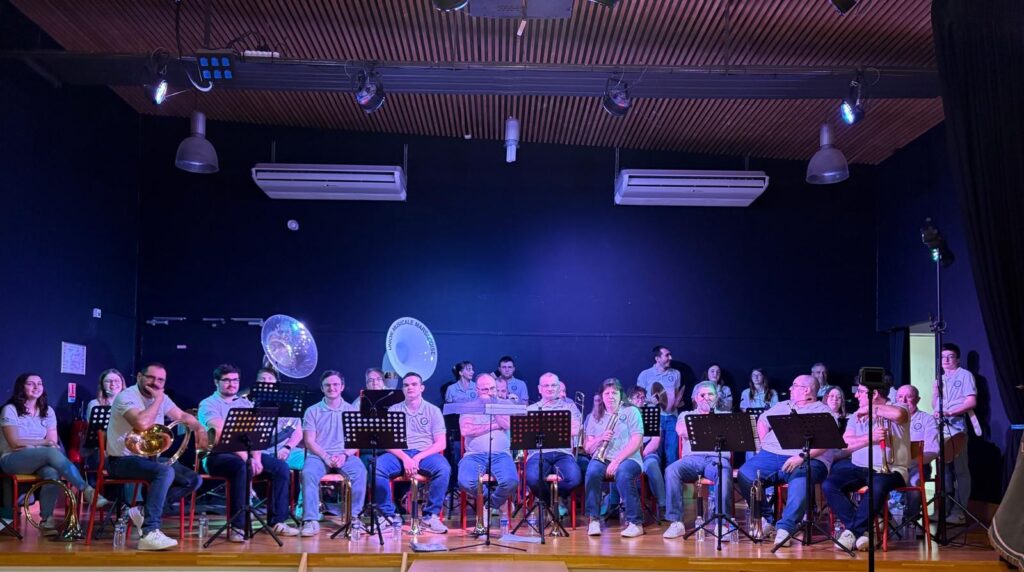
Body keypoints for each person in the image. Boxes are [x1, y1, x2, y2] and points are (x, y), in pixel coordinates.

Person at [105, 363, 206, 551]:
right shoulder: (126, 396)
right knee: (165, 472)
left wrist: (199, 427)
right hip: (121, 460)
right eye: (151, 378)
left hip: (148, 459)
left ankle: (143, 510)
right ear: (139, 377)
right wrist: (158, 399)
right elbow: (142, 423)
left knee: (193, 479)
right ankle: (149, 533)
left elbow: (182, 415)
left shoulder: (162, 397)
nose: (156, 383)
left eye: (161, 380)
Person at [198, 364, 299, 542]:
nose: (232, 384)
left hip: (248, 453)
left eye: (235, 380)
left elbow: (257, 435)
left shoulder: (246, 403)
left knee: (281, 468)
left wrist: (257, 457)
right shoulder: (208, 403)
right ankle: (238, 526)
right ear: (216, 382)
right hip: (217, 456)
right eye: (227, 380)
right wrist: (247, 457)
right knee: (240, 467)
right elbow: (222, 434)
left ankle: (277, 522)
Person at [736, 375, 837, 547]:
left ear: (807, 390)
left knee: (800, 478)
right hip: (771, 454)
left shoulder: (823, 411)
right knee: (745, 475)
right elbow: (762, 420)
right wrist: (761, 445)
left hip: (808, 458)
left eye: (794, 385)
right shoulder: (783, 405)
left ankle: (785, 528)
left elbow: (827, 442)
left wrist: (802, 456)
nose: (790, 389)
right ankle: (768, 519)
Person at [0, 373, 109, 531]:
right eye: (31, 384)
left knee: (52, 473)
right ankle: (86, 489)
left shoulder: (48, 411)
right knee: (50, 454)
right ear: (21, 387)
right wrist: (44, 443)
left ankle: (47, 519)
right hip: (11, 459)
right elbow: (15, 443)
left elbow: (52, 442)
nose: (37, 387)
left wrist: (47, 445)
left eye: (40, 383)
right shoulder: (10, 410)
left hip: (39, 459)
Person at [823, 378, 910, 551]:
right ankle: (862, 532)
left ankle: (852, 532)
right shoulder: (857, 414)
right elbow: (846, 442)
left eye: (860, 391)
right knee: (829, 484)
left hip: (891, 469)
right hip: (858, 467)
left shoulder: (899, 407)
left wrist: (872, 408)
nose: (856, 395)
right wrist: (871, 438)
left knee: (877, 486)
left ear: (874, 394)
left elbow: (899, 416)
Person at [372, 372, 451, 534]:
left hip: (425, 453)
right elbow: (387, 442)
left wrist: (418, 457)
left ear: (422, 388)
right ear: (402, 389)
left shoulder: (433, 410)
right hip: (399, 453)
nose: (410, 388)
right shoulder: (394, 409)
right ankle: (388, 516)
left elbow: (441, 443)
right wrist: (405, 457)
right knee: (377, 467)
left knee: (444, 468)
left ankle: (430, 516)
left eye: (414, 384)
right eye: (406, 385)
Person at [299, 370, 368, 536]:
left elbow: (357, 442)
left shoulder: (352, 410)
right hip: (319, 455)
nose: (332, 388)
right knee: (308, 473)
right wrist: (326, 457)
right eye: (327, 385)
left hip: (345, 455)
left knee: (360, 472)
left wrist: (344, 455)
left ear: (342, 387)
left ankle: (354, 518)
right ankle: (310, 520)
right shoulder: (312, 411)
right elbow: (309, 441)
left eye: (336, 384)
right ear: (322, 388)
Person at [663, 381, 732, 539]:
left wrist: (701, 428)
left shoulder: (725, 416)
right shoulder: (685, 415)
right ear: (695, 398)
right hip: (693, 459)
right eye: (702, 395)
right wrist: (711, 428)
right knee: (671, 470)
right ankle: (676, 523)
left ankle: (722, 524)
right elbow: (681, 431)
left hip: (717, 458)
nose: (706, 398)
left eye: (710, 395)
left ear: (716, 397)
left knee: (724, 472)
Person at [457, 373, 519, 535]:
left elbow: (506, 424)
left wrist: (494, 408)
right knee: (465, 481)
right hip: (474, 455)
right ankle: (490, 501)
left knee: (511, 481)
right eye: (485, 389)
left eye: (492, 388)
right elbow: (466, 430)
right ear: (477, 390)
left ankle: (489, 505)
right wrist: (493, 425)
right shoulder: (468, 406)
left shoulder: (505, 404)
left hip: (501, 454)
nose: (490, 392)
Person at [583, 378, 644, 538]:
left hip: (629, 458)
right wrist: (600, 438)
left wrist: (617, 461)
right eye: (607, 393)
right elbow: (588, 448)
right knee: (592, 471)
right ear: (602, 396)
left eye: (614, 393)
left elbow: (637, 440)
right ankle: (594, 520)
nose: (610, 396)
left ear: (620, 395)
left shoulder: (631, 411)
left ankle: (635, 523)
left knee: (623, 473)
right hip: (603, 458)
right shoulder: (594, 416)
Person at [524, 373, 582, 524]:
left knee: (574, 479)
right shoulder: (531, 409)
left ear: (559, 387)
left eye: (553, 385)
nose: (550, 389)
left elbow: (575, 430)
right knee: (532, 478)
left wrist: (546, 428)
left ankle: (552, 500)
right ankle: (552, 504)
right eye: (546, 385)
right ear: (539, 389)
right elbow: (526, 435)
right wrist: (561, 427)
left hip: (563, 453)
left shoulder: (570, 407)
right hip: (538, 453)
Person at [934, 342, 977, 525]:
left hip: (957, 427)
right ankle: (943, 509)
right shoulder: (939, 379)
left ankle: (960, 510)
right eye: (943, 357)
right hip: (940, 428)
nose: (946, 360)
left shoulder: (965, 375)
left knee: (960, 469)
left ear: (957, 359)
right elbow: (935, 403)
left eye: (950, 357)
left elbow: (971, 401)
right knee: (944, 471)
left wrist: (950, 412)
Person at [893, 384, 939, 520]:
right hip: (893, 465)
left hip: (917, 466)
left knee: (914, 481)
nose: (903, 401)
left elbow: (933, 450)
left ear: (917, 400)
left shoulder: (927, 420)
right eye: (900, 397)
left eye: (909, 397)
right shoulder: (889, 418)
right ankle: (883, 520)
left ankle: (910, 520)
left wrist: (912, 462)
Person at [636, 346, 683, 466]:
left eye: (670, 355)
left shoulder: (676, 373)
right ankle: (656, 484)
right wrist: (649, 400)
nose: (670, 358)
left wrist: (677, 401)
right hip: (654, 418)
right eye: (667, 355)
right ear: (657, 358)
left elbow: (676, 394)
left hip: (672, 418)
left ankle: (670, 484)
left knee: (672, 455)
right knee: (655, 455)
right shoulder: (645, 374)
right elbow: (637, 398)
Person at [252, 367, 305, 470]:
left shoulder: (288, 403)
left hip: (288, 451)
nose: (266, 382)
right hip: (261, 453)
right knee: (281, 468)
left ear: (276, 382)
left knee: (311, 463)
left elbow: (298, 433)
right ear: (257, 383)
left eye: (270, 378)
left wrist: (287, 448)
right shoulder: (249, 404)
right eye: (262, 379)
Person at [624, 386, 665, 518]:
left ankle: (662, 505)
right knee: (618, 465)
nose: (641, 400)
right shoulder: (624, 414)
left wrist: (643, 454)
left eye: (643, 397)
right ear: (629, 399)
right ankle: (616, 503)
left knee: (652, 465)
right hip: (630, 452)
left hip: (648, 451)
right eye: (637, 397)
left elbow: (655, 441)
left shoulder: (651, 414)